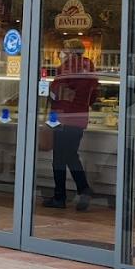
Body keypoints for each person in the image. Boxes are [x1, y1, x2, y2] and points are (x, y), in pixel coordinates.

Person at [43, 37, 99, 211]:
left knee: (59, 159)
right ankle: (83, 188)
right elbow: (94, 96)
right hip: (80, 118)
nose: (62, 53)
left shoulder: (66, 68)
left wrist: (47, 92)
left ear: (72, 52)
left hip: (63, 117)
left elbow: (56, 93)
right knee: (71, 155)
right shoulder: (90, 69)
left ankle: (60, 197)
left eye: (65, 49)